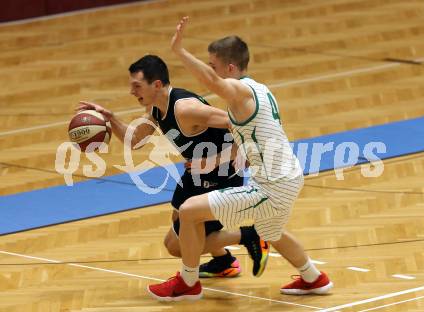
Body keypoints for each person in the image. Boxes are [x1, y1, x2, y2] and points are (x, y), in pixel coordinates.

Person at [147, 17, 333, 301]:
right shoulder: (260, 88)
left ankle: (187, 283)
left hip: (271, 187)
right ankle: (314, 278)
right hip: (288, 177)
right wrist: (229, 156)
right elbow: (252, 132)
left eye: (214, 66)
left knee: (188, 211)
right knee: (271, 230)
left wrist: (180, 52)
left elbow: (210, 83)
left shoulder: (239, 91)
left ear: (229, 68)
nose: (212, 72)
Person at [77, 55, 269, 279]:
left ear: (156, 84)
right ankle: (224, 261)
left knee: (175, 246)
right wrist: (110, 119)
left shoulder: (186, 109)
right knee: (178, 218)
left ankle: (249, 235)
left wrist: (217, 160)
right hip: (197, 172)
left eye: (137, 86)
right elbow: (135, 140)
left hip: (222, 175)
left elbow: (240, 123)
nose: (132, 92)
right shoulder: (157, 109)